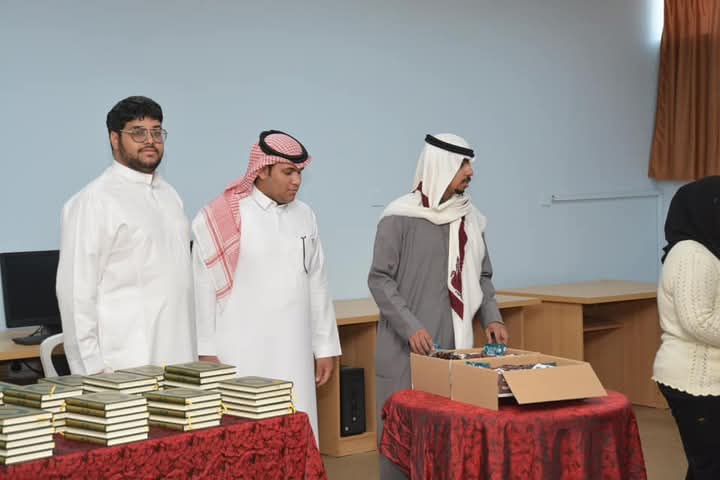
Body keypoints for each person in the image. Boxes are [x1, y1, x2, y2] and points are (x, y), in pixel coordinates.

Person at [368, 133, 508, 479]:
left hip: (455, 348)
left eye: (469, 163)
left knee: (450, 438)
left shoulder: (471, 219)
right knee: (403, 438)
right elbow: (380, 279)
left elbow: (482, 275)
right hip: (406, 347)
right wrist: (410, 326)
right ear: (441, 166)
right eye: (462, 164)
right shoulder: (399, 216)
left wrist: (492, 316)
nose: (470, 171)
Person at [192, 130, 341, 439]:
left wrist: (325, 347)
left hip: (295, 348)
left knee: (296, 428)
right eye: (288, 172)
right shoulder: (219, 216)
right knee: (246, 437)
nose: (296, 181)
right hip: (241, 351)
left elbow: (317, 282)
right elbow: (202, 288)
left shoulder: (305, 215)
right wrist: (205, 351)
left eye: (299, 173)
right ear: (261, 171)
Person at [56, 96, 197, 375]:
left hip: (180, 357)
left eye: (156, 132)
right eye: (138, 132)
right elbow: (76, 294)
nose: (150, 141)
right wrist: (91, 374)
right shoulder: (93, 201)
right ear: (115, 138)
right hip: (124, 364)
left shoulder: (170, 196)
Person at [652, 176, 720, 480]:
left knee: (707, 465)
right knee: (710, 466)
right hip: (695, 381)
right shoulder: (692, 255)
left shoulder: (707, 251)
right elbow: (699, 322)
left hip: (708, 379)